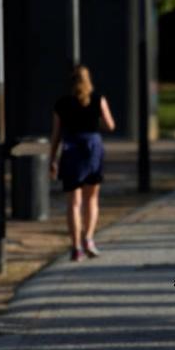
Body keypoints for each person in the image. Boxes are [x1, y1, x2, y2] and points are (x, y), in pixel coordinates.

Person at [49, 65, 115, 262]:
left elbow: (56, 134)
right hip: (92, 148)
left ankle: (76, 246)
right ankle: (89, 238)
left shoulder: (62, 103)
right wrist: (97, 121)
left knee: (74, 201)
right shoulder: (97, 99)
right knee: (92, 199)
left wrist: (53, 158)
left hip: (71, 149)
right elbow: (111, 125)